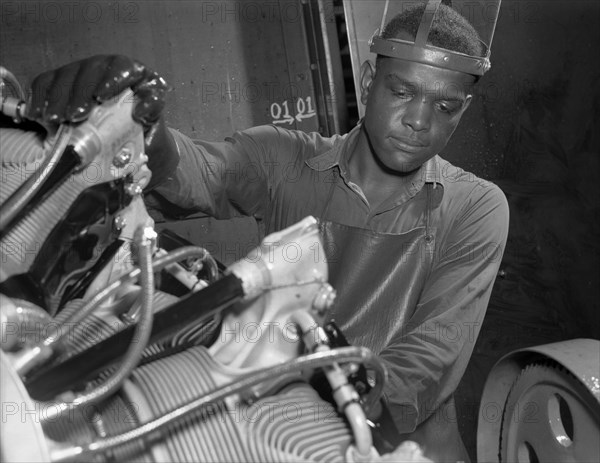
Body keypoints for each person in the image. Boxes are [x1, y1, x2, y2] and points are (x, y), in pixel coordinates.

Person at [26, 3, 508, 461]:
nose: (419, 121)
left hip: (397, 445)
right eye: (401, 92)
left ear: (461, 111)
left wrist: (337, 399)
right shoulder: (285, 160)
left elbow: (430, 357)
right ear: (367, 82)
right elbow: (205, 171)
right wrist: (139, 127)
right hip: (276, 422)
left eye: (444, 107)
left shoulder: (474, 207)